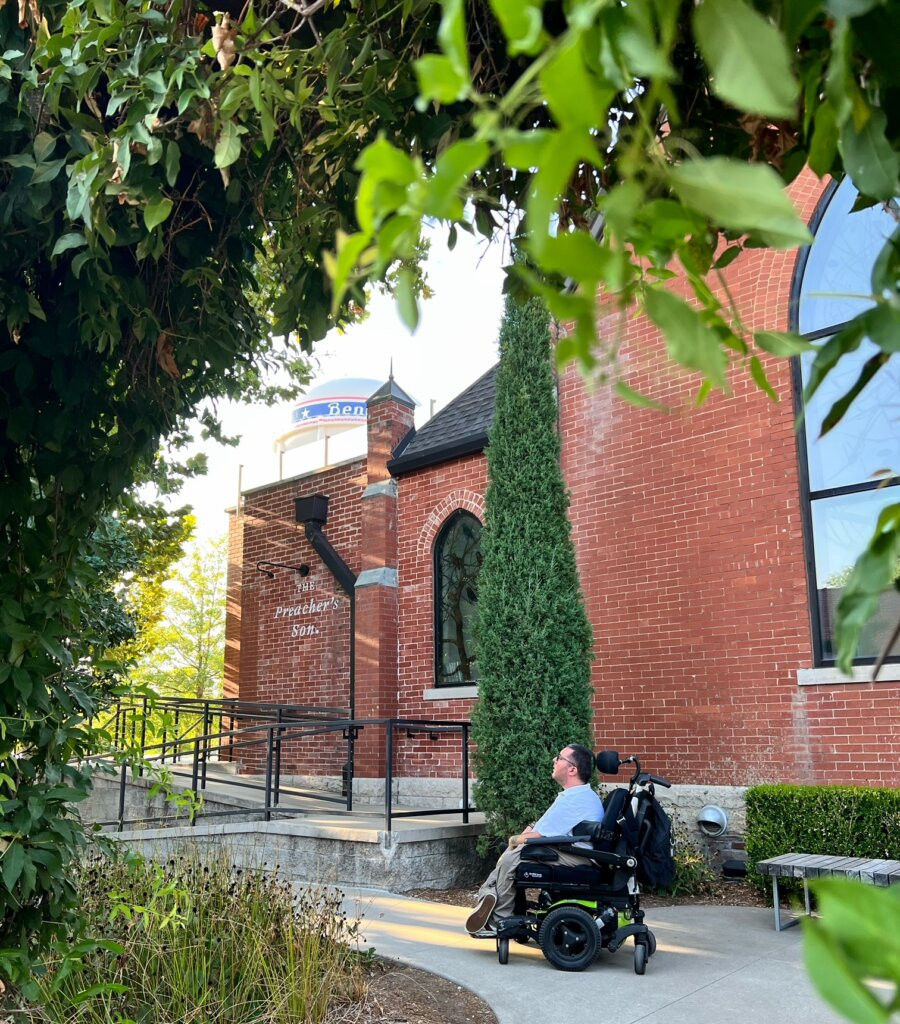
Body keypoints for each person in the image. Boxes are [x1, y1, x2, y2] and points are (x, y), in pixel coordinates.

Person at [465, 743, 605, 934]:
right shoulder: (576, 795)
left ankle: (500, 920)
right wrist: (525, 834)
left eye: (560, 758)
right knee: (511, 855)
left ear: (573, 769)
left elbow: (538, 835)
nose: (554, 760)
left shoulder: (576, 799)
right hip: (570, 849)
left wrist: (514, 840)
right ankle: (488, 896)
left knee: (510, 857)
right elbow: (540, 826)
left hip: (578, 856)